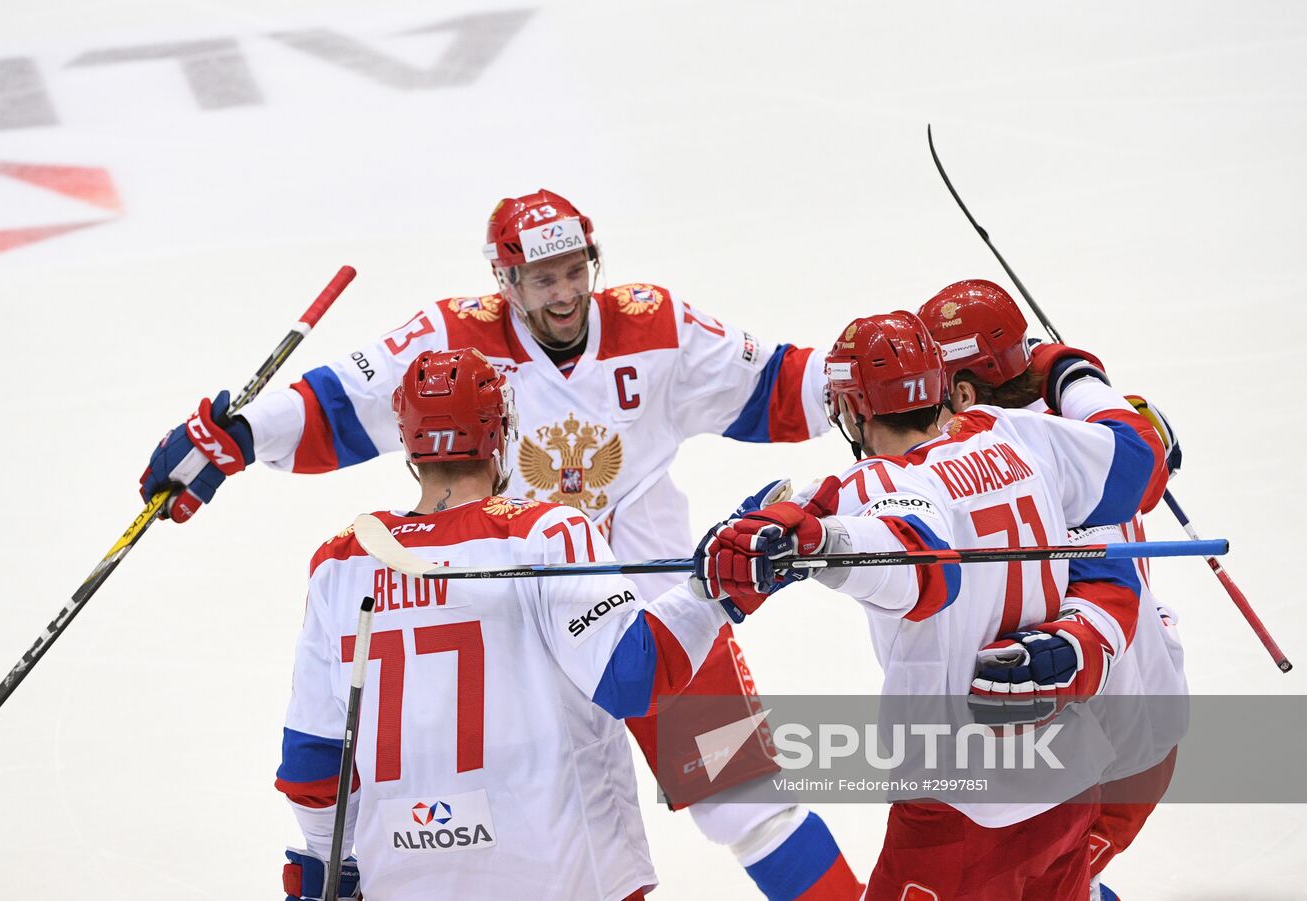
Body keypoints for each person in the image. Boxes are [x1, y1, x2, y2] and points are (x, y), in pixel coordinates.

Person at [141, 190, 853, 897]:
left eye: (577, 271)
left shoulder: (654, 323)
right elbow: (338, 401)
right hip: (522, 630)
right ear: (504, 280)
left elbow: (778, 383)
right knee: (530, 841)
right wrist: (237, 435)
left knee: (749, 803)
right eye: (545, 279)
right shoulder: (452, 336)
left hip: (661, 616)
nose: (567, 293)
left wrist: (874, 381)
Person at [274, 348, 861, 900]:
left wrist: (332, 864)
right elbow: (632, 678)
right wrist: (716, 592)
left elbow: (312, 761)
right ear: (501, 433)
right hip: (561, 874)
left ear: (407, 440)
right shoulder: (544, 533)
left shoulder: (342, 562)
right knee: (750, 802)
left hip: (405, 879)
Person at [693, 310, 1169, 900]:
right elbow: (1134, 462)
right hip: (1069, 780)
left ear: (852, 410)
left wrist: (818, 545)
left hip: (961, 805)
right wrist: (1071, 374)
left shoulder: (883, 488)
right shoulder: (1015, 433)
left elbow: (918, 566)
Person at [917, 280, 1188, 900]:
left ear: (960, 390)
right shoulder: (1075, 430)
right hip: (1133, 722)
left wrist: (1068, 649)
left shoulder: (1021, 461)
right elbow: (1137, 449)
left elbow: (1107, 583)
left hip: (1111, 755)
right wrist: (1074, 374)